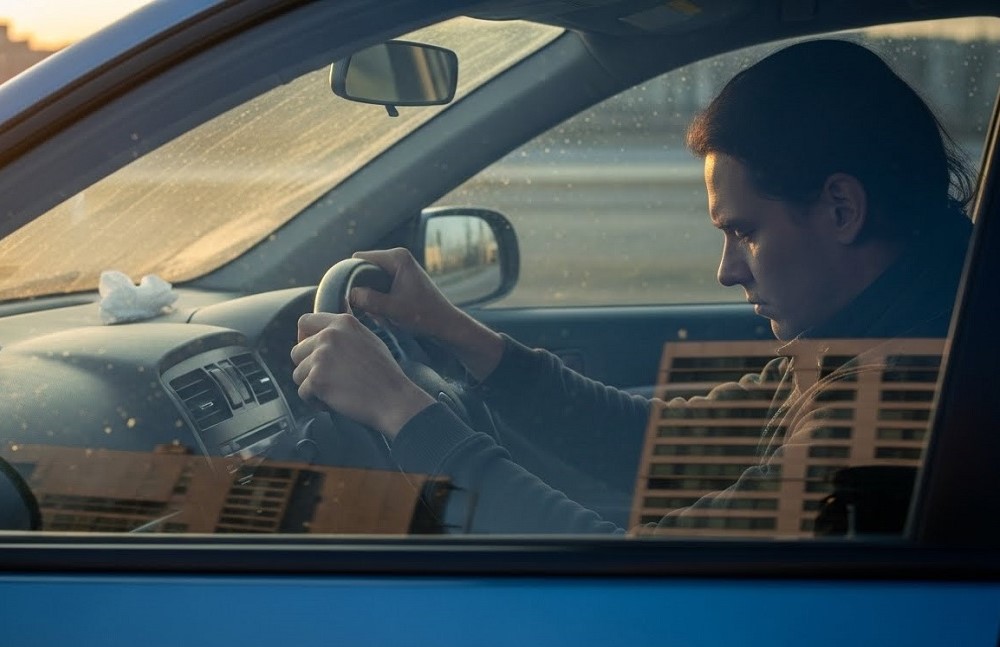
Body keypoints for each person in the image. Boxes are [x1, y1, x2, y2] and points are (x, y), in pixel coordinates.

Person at [290, 39, 974, 534]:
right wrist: (456, 332)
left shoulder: (895, 397)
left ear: (841, 210)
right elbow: (661, 448)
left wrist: (401, 411)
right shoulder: (871, 338)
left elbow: (625, 569)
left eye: (746, 233)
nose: (728, 270)